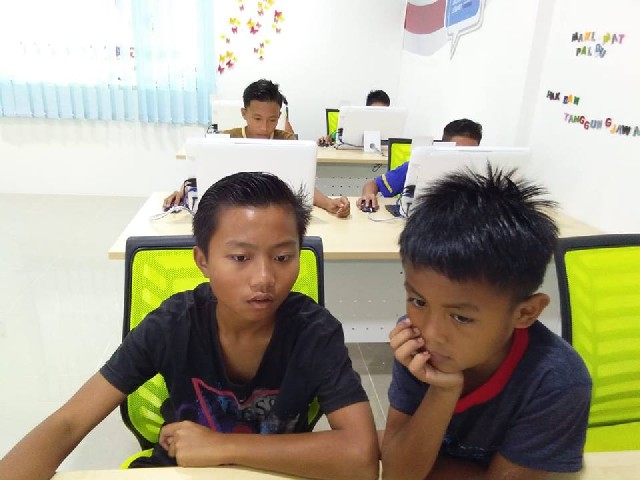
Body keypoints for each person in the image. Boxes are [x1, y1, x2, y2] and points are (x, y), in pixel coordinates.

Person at [0, 172, 379, 480]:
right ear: (203, 261)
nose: (264, 278)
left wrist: (223, 446)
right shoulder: (172, 325)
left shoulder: (314, 333)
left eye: (282, 257)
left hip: (275, 470)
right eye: (240, 257)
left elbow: (360, 457)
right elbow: (69, 423)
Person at [381, 165, 591, 479]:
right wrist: (443, 391)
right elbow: (398, 473)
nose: (431, 333)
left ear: (526, 313)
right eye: (419, 301)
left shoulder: (556, 379)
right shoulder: (414, 340)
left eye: (462, 317)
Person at [164, 79, 350, 218]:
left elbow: (301, 184)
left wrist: (328, 203)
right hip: (233, 211)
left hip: (274, 213)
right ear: (244, 114)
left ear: (279, 116)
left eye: (272, 120)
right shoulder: (226, 139)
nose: (264, 127)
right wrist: (183, 192)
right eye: (257, 119)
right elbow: (203, 172)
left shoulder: (287, 142)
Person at [357, 118, 483, 211]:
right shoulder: (419, 166)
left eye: (470, 152)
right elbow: (373, 184)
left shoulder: (481, 174)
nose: (463, 157)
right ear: (443, 146)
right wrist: (368, 195)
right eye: (457, 151)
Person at [317, 89, 391, 146]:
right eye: (374, 111)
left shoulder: (391, 126)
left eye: (382, 112)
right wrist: (326, 140)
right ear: (367, 109)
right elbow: (335, 137)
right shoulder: (355, 121)